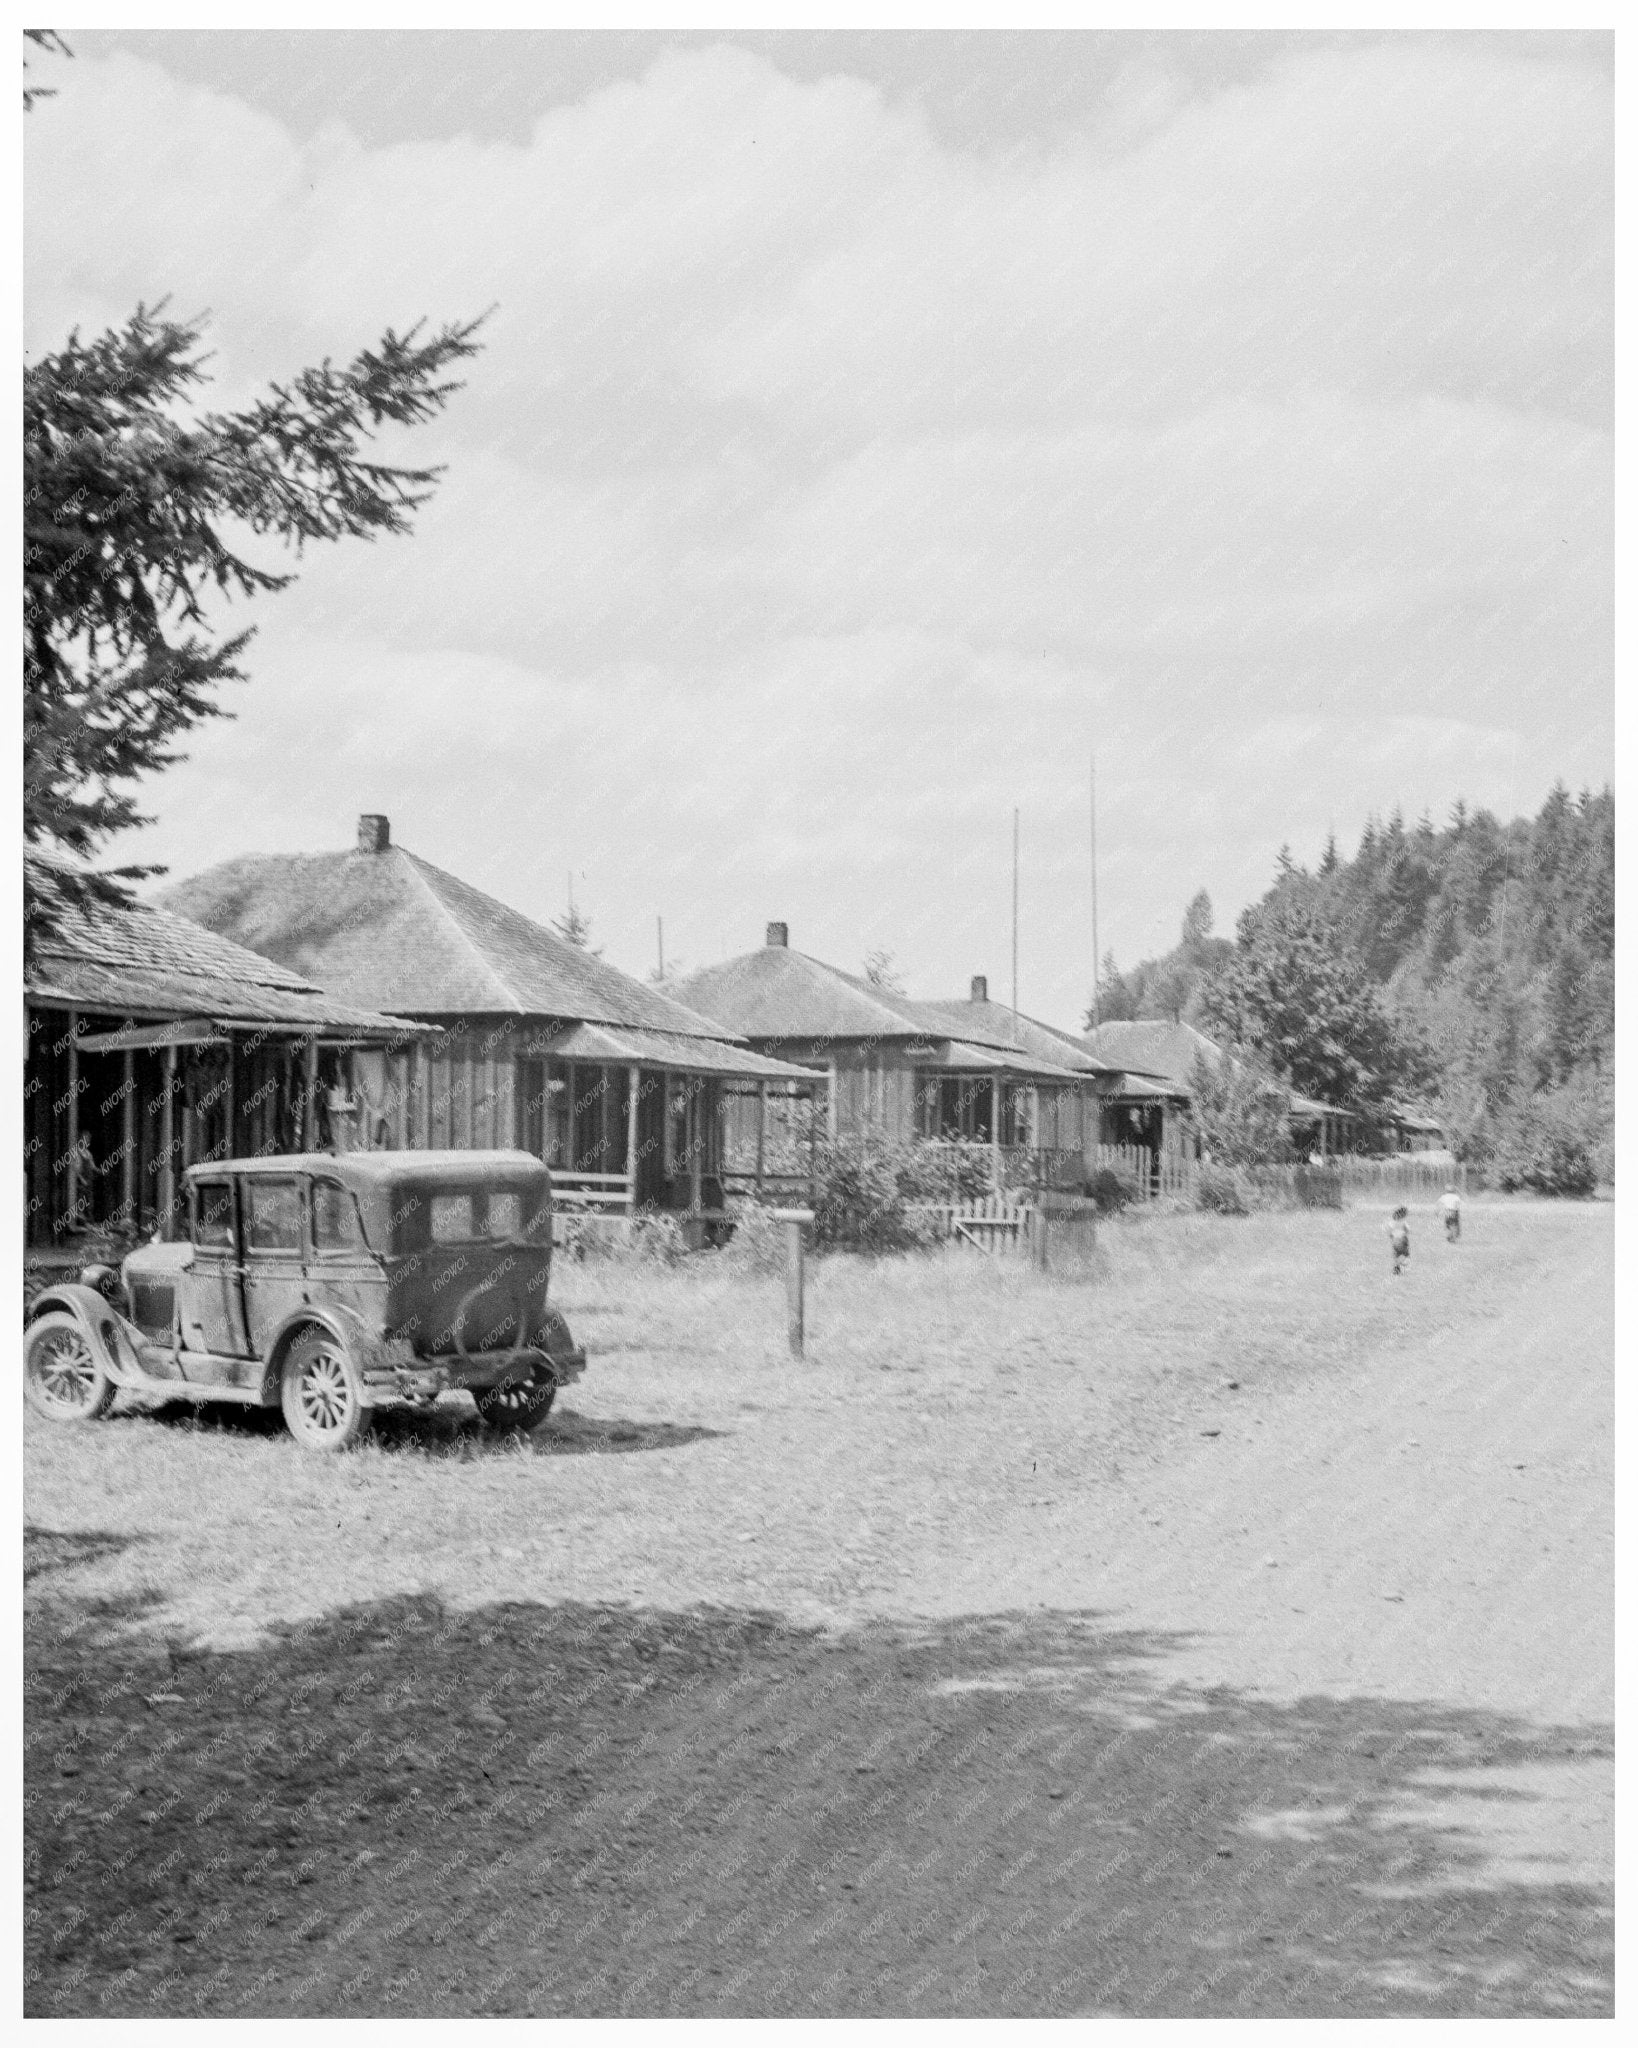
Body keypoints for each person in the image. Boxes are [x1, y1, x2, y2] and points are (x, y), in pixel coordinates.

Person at [1388, 1204, 1410, 1275]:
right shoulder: (1403, 1222)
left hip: (1395, 1240)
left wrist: (1392, 1236)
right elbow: (1408, 1230)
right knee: (1405, 1254)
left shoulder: (1392, 1222)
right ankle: (1399, 1266)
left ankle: (1397, 1268)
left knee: (1397, 1254)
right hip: (1403, 1239)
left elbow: (1390, 1231)